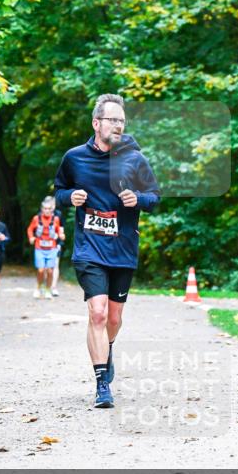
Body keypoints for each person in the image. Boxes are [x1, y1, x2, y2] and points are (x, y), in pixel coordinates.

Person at [54, 93, 161, 408]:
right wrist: (70, 195)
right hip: (89, 247)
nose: (117, 125)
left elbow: (155, 196)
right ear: (96, 123)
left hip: (122, 248)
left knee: (113, 317)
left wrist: (138, 200)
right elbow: (59, 190)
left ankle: (108, 346)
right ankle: (102, 384)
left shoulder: (134, 159)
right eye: (112, 119)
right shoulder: (74, 158)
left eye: (121, 120)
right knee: (97, 312)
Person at [28, 196, 65, 299]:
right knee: (40, 270)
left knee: (50, 271)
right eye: (45, 209)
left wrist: (61, 235)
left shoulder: (56, 219)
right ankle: (38, 288)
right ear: (42, 209)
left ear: (52, 209)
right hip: (39, 247)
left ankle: (48, 290)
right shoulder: (36, 218)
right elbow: (30, 229)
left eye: (49, 209)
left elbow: (59, 231)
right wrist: (31, 237)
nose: (47, 211)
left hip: (52, 248)